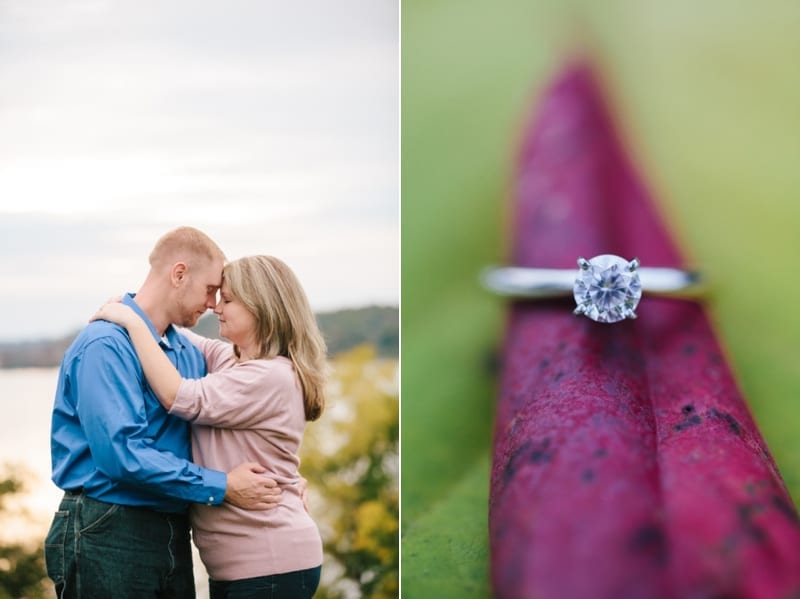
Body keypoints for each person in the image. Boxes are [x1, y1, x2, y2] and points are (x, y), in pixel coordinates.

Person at [45, 227, 282, 599]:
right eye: (209, 290)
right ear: (179, 274)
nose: (213, 304)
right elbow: (121, 455)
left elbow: (237, 413)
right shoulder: (105, 345)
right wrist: (222, 486)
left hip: (171, 527)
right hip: (109, 525)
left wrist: (284, 478)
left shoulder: (186, 352)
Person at [92, 254, 327, 599]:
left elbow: (177, 395)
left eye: (228, 300)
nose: (216, 307)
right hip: (245, 567)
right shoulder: (233, 361)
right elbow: (180, 336)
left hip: (270, 563)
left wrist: (130, 321)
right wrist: (140, 308)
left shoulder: (270, 376)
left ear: (261, 308)